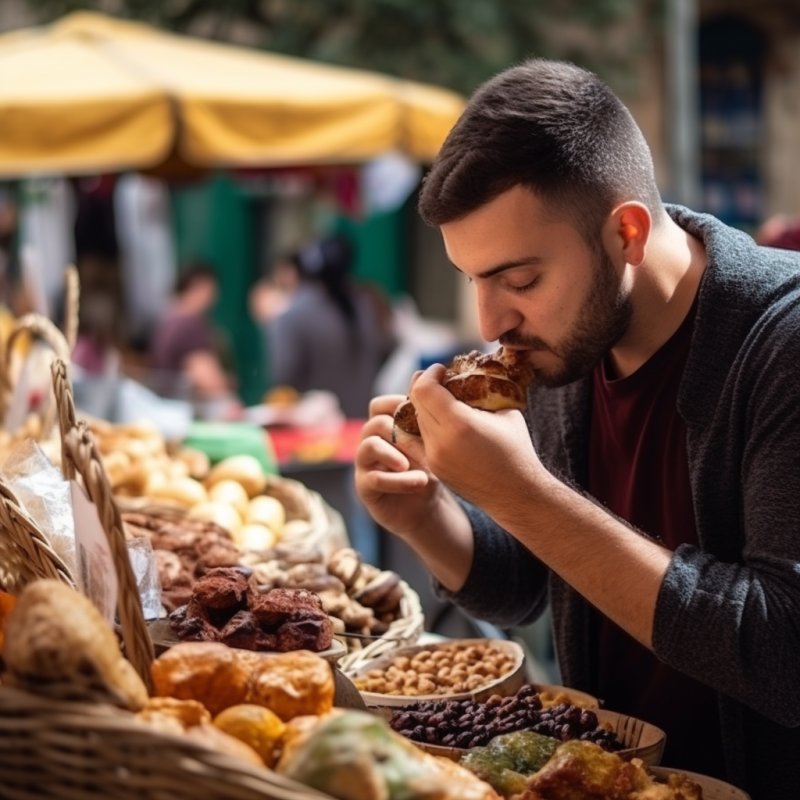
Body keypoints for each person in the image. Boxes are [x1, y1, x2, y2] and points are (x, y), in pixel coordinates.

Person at [354, 59, 800, 799]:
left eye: (519, 280)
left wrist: (521, 493)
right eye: (474, 280)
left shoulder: (783, 345)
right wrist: (428, 514)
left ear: (626, 232)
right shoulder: (570, 344)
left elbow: (784, 652)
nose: (491, 322)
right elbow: (536, 582)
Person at [251, 234, 395, 419]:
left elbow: (283, 374)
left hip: (317, 427)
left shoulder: (294, 315)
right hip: (364, 420)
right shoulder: (369, 304)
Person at [150, 262, 240, 416]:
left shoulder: (167, 320)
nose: (216, 296)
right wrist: (228, 383)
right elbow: (209, 382)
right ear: (201, 285)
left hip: (168, 410)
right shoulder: (189, 324)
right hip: (188, 414)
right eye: (213, 288)